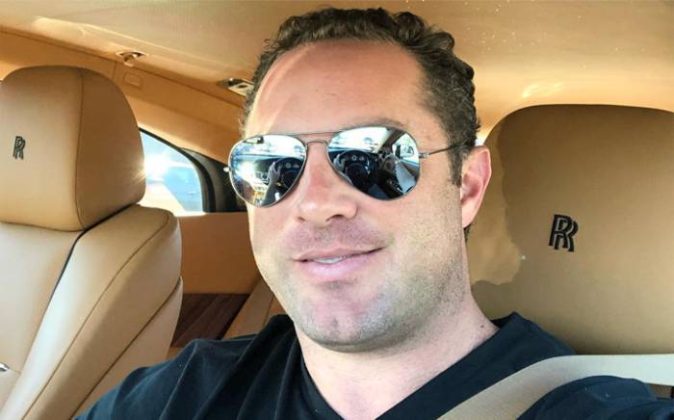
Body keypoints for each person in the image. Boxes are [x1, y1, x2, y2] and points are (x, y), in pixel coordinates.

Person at [79, 8, 674, 419]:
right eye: (272, 162)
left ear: (467, 186)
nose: (316, 202)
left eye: (374, 156)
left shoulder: (587, 410)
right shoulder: (179, 396)